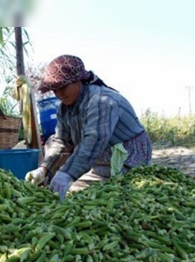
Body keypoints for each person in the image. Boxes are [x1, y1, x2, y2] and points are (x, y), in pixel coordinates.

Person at [25, 55, 152, 199]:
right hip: (100, 158)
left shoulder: (101, 100)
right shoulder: (64, 108)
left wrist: (67, 174)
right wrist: (44, 168)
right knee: (73, 190)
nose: (59, 93)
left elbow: (94, 140)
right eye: (54, 89)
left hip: (126, 155)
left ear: (78, 80)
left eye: (62, 87)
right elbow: (61, 141)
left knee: (103, 195)